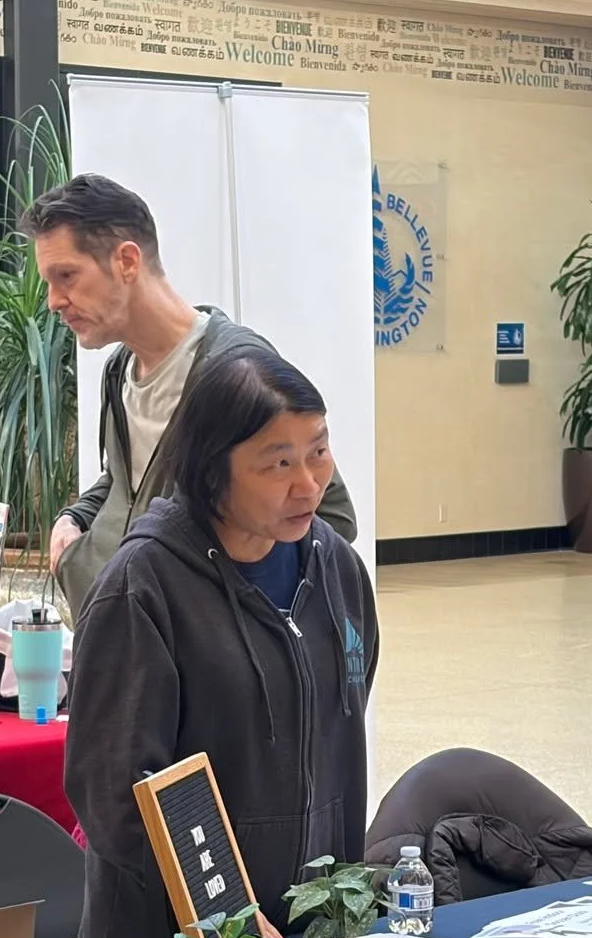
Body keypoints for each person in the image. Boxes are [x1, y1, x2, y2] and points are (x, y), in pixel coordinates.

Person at [64, 347, 376, 938]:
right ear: (212, 472)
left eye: (318, 452)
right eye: (277, 463)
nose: (308, 483)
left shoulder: (338, 570)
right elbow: (115, 794)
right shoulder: (142, 591)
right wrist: (224, 917)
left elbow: (338, 723)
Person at [25, 174, 358, 619]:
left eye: (65, 276)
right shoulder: (119, 369)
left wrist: (213, 614)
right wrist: (76, 522)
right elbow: (129, 481)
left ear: (127, 261)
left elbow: (330, 514)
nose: (53, 301)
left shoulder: (235, 371)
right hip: (128, 646)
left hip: (194, 665)